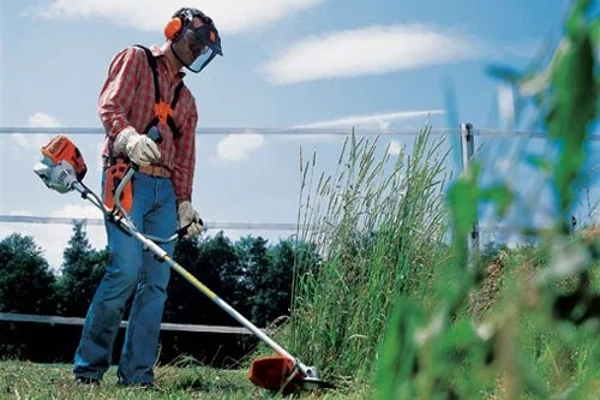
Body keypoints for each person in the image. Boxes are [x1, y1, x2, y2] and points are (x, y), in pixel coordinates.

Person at [72, 7, 223, 387]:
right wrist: (128, 138)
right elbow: (109, 105)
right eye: (193, 41)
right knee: (124, 269)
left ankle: (137, 376)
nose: (195, 51)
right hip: (125, 176)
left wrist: (184, 203)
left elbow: (186, 157)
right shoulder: (136, 59)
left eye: (202, 50)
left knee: (155, 284)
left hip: (164, 192)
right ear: (175, 31)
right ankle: (89, 370)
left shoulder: (187, 102)